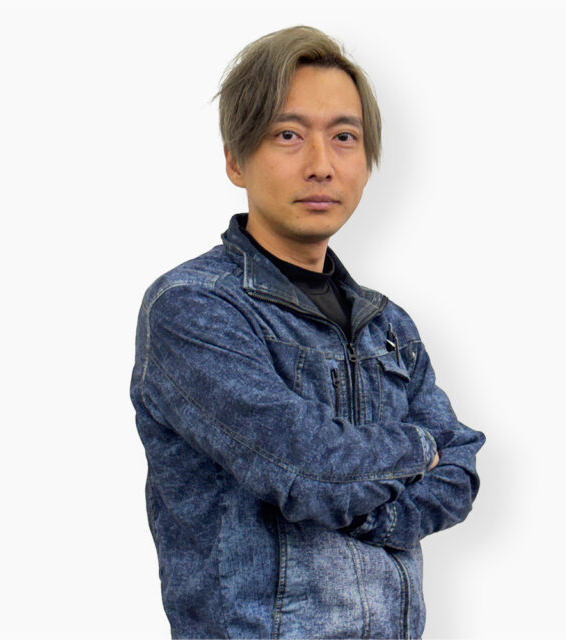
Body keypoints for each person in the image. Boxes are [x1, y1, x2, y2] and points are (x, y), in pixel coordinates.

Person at [130, 25, 485, 640]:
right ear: (236, 159)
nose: (321, 166)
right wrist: (422, 447)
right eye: (288, 135)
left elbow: (461, 471)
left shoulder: (388, 327)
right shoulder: (194, 308)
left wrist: (374, 511)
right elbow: (309, 468)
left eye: (344, 137)